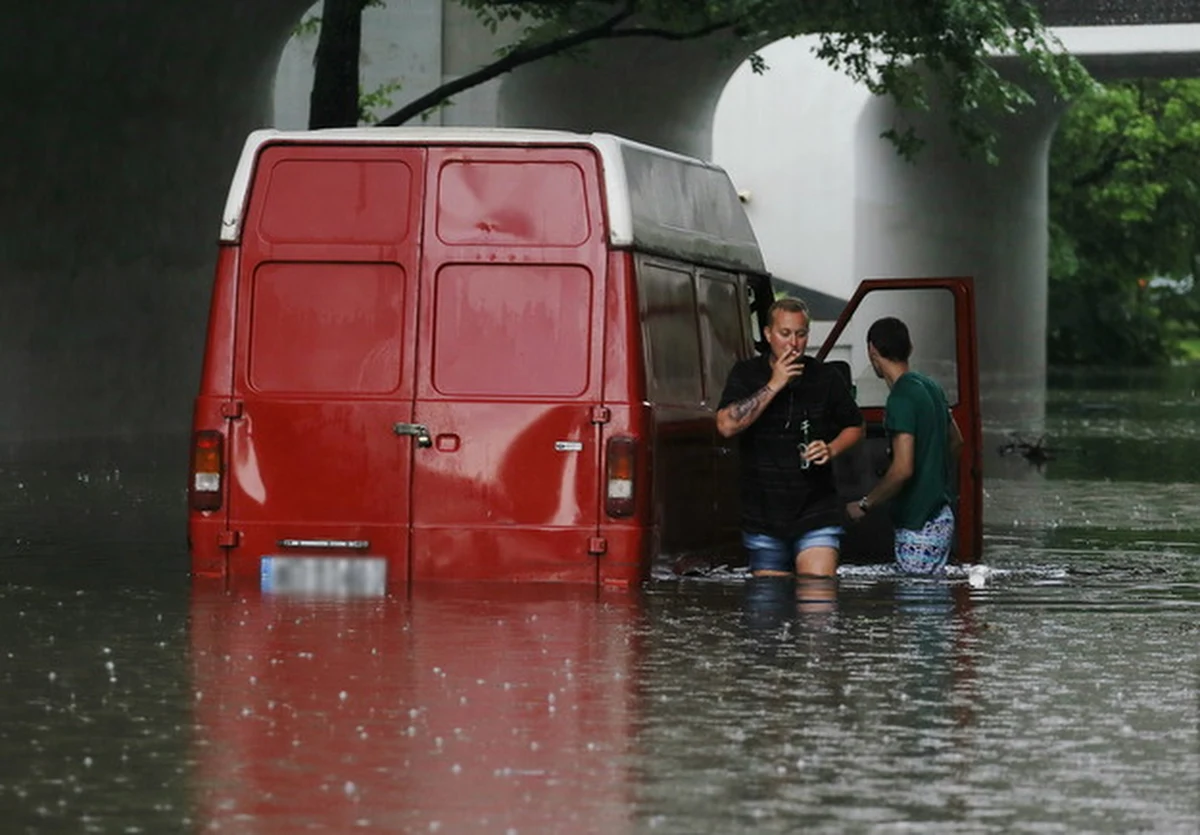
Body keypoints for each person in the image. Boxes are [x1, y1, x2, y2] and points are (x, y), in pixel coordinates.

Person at [717, 297, 864, 578]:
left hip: (817, 510)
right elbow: (725, 425)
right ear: (768, 334)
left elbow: (856, 426)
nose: (793, 343)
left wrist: (831, 448)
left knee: (817, 599)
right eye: (785, 334)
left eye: (801, 334)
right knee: (770, 609)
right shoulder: (746, 374)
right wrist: (775, 384)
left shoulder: (826, 377)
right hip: (763, 514)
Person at [846, 316, 964, 574]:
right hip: (941, 518)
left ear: (872, 351)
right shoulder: (931, 387)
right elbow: (957, 441)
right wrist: (932, 474)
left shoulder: (900, 398)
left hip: (918, 526)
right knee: (933, 608)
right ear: (909, 348)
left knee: (916, 608)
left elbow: (902, 470)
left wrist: (865, 504)